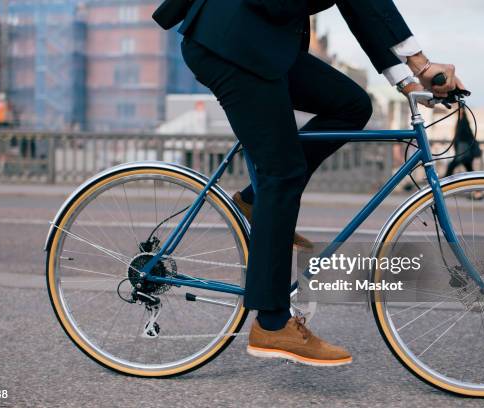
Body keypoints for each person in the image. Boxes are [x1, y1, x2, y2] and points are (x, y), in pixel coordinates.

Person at [163, 0, 465, 366]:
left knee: (352, 105)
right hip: (229, 43)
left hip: (265, 42)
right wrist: (419, 63)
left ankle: (257, 200)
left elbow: (361, 8)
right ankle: (272, 324)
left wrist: (406, 80)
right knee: (282, 172)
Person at [445, 109, 481, 176]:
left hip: (463, 147)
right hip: (464, 147)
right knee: (468, 166)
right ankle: (474, 179)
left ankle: (445, 179)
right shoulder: (463, 121)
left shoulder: (463, 121)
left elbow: (463, 135)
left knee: (453, 164)